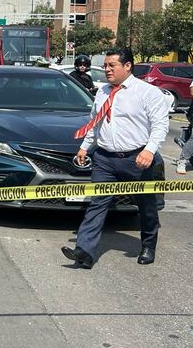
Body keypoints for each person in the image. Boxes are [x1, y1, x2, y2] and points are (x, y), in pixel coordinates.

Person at [62, 48, 169, 268]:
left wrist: (148, 150)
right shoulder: (102, 92)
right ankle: (84, 252)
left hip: (137, 159)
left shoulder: (147, 93)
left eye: (112, 66)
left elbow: (160, 125)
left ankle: (148, 245)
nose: (107, 70)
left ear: (127, 66)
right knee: (97, 204)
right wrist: (84, 147)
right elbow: (96, 122)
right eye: (105, 66)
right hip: (105, 159)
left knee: (146, 206)